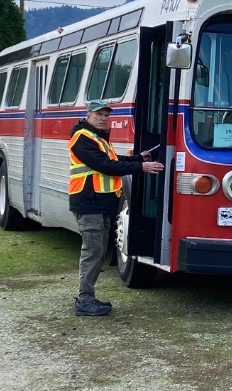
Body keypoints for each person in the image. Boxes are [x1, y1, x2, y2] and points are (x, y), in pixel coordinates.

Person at [68, 99, 163, 317]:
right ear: (88, 116)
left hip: (99, 203)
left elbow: (111, 159)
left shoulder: (97, 137)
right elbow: (106, 166)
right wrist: (141, 167)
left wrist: (138, 157)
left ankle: (87, 298)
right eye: (99, 114)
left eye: (106, 115)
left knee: (98, 251)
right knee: (92, 252)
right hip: (88, 203)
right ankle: (85, 300)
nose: (103, 118)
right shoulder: (82, 138)